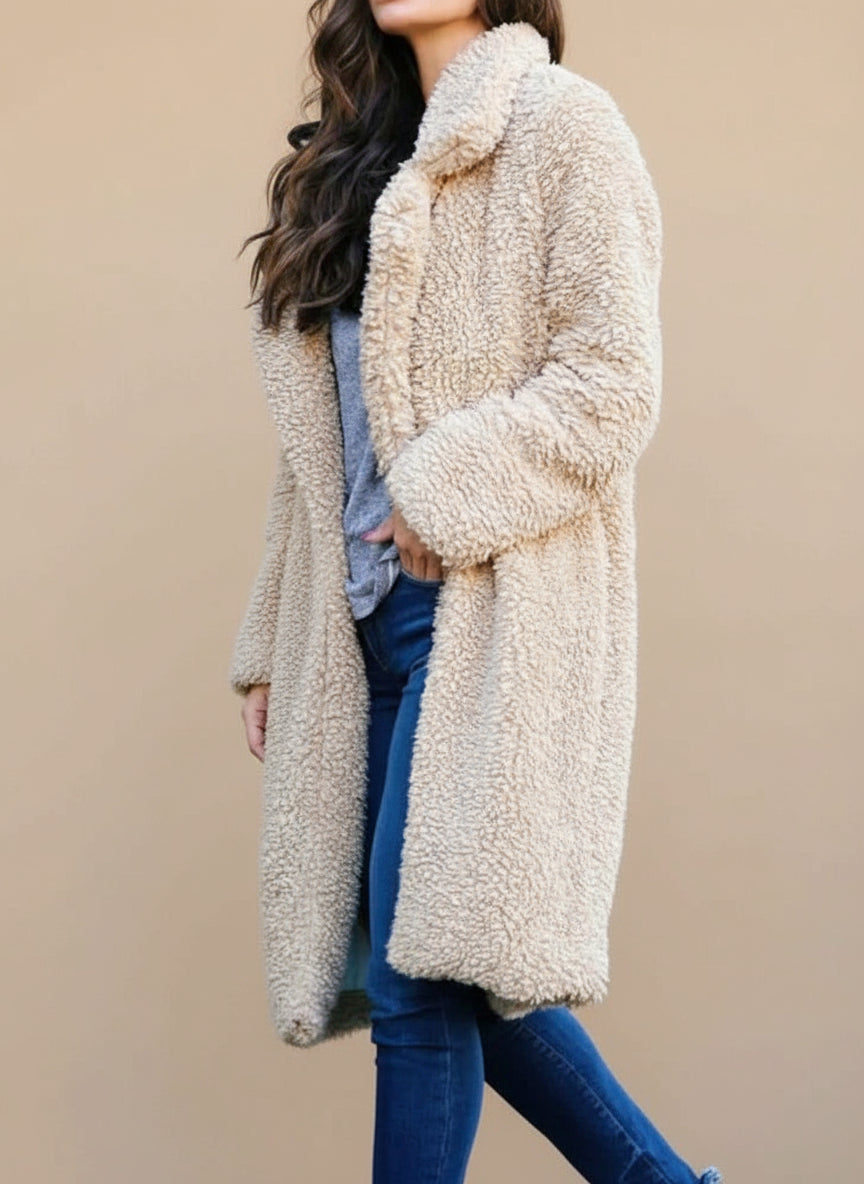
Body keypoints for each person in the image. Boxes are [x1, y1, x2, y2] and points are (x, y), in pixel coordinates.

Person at [230, 2, 724, 1182]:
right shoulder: (348, 164)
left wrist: (441, 491)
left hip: (481, 610)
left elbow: (612, 383)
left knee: (416, 983)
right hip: (359, 633)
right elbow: (316, 451)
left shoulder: (563, 129)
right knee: (451, 963)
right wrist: (271, 639)